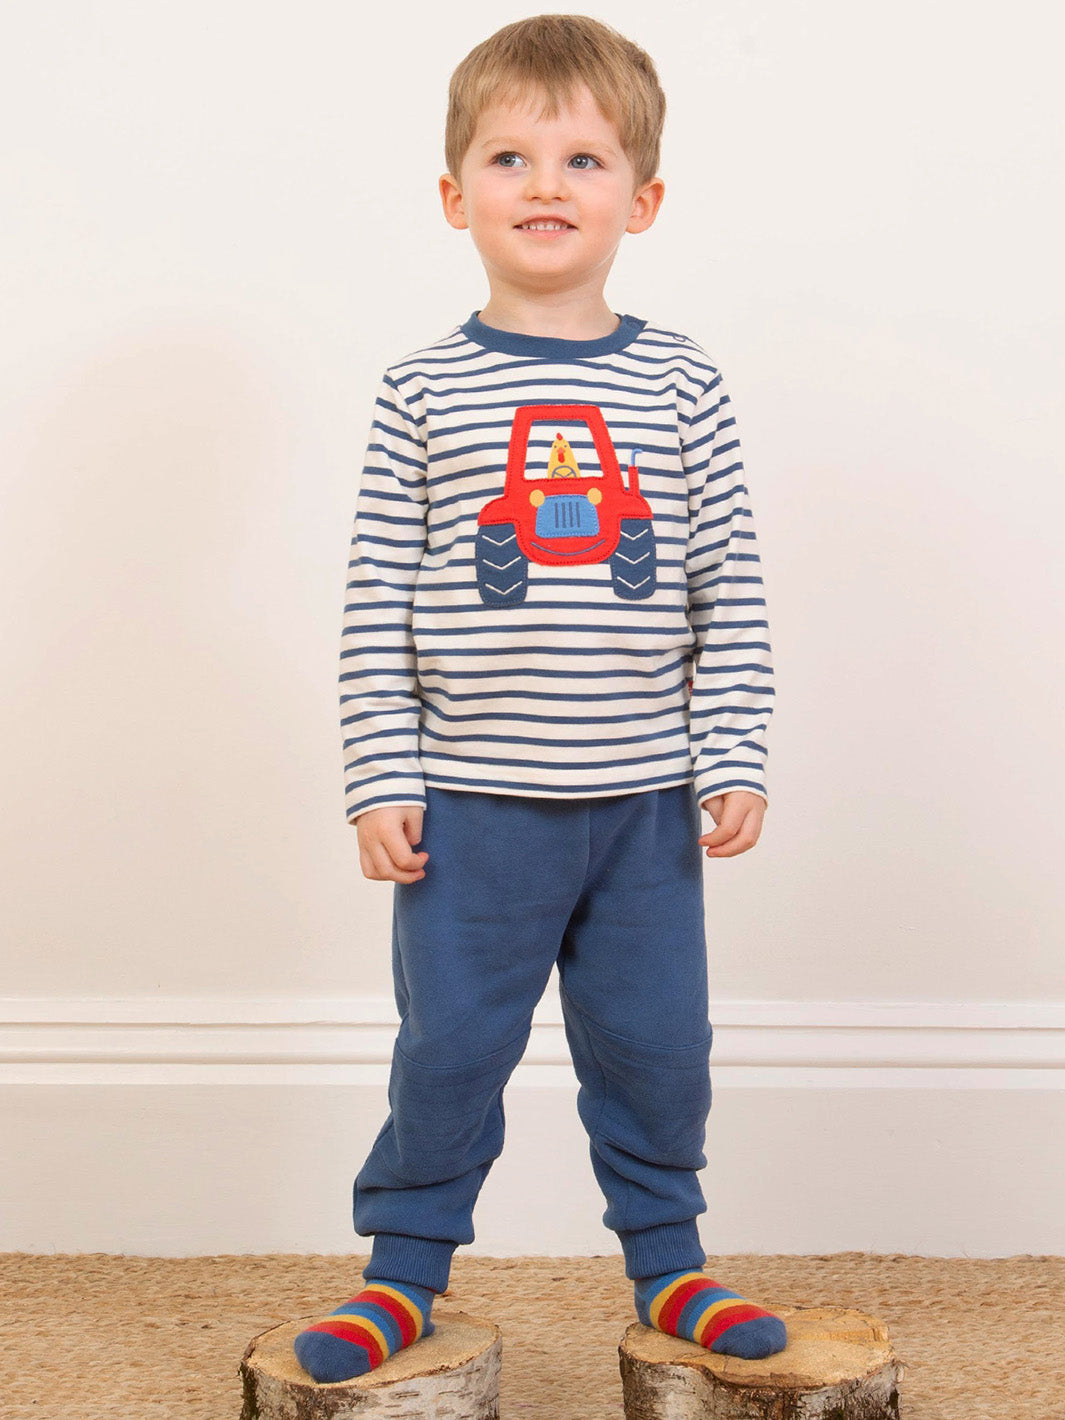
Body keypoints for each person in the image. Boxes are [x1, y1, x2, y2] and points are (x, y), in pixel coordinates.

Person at [294, 13, 784, 1386]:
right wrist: (380, 775)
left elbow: (725, 590)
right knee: (449, 1049)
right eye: (510, 156)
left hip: (640, 808)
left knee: (655, 1048)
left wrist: (731, 751)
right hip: (469, 805)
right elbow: (375, 602)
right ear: (457, 199)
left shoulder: (679, 384)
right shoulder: (422, 391)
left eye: (582, 157)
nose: (547, 184)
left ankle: (669, 1264)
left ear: (643, 198)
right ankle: (402, 1274)